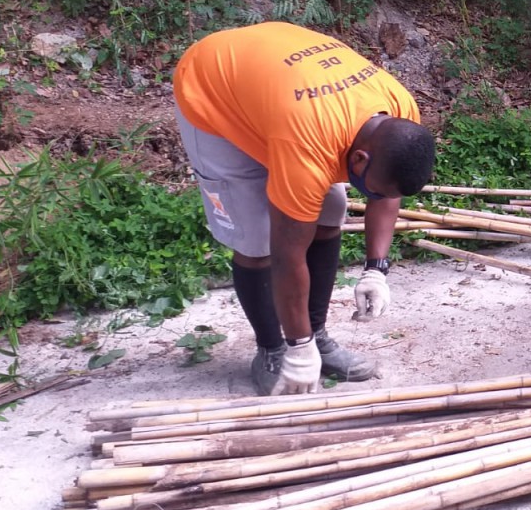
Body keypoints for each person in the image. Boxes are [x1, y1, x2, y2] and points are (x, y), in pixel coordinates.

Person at [172, 22, 436, 397]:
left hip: (280, 90)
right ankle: (273, 349)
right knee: (255, 237)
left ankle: (317, 335)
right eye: (371, 185)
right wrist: (296, 348)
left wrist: (376, 270)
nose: (375, 194)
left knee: (331, 211)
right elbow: (286, 253)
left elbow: (385, 192)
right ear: (359, 158)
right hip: (212, 90)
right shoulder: (308, 146)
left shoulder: (399, 112)